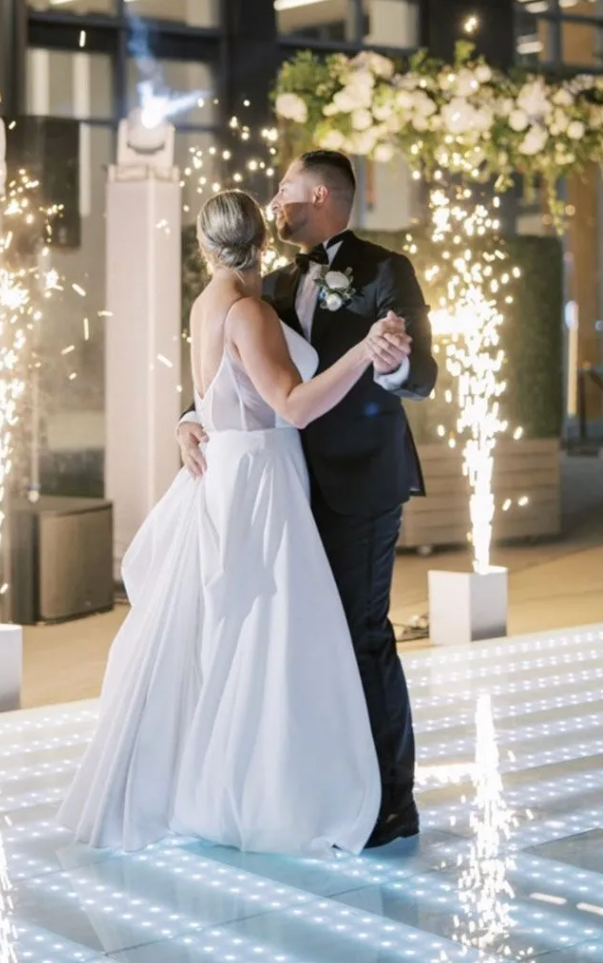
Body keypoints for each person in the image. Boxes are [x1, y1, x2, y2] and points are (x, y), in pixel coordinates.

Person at [58, 188, 410, 856]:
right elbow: (295, 405)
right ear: (263, 239)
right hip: (260, 479)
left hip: (231, 470)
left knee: (229, 636)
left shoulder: (207, 301)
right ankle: (257, 794)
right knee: (267, 639)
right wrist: (364, 350)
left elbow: (219, 393)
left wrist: (189, 419)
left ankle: (214, 781)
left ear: (204, 245)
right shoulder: (248, 309)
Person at [177, 151, 437, 849]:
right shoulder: (271, 279)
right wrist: (190, 417)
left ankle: (388, 799)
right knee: (296, 643)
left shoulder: (387, 271)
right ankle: (312, 783)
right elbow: (241, 365)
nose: (275, 198)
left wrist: (395, 363)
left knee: (360, 634)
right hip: (282, 490)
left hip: (358, 481)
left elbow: (422, 375)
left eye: (285, 188)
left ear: (319, 195)